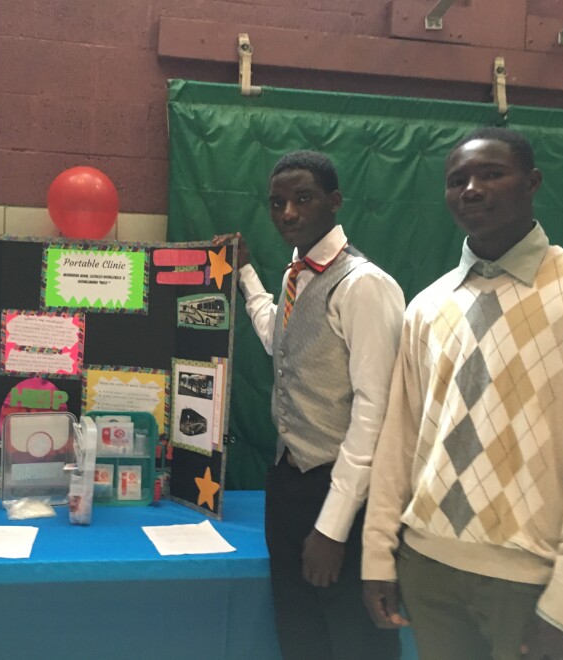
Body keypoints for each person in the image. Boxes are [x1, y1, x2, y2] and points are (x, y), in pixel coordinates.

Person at [362, 127, 563, 660]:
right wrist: (378, 556)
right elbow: (398, 441)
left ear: (531, 182)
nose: (471, 189)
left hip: (533, 580)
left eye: (491, 173)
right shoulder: (427, 306)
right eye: (457, 180)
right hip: (428, 569)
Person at [216, 150, 404, 659]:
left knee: (353, 641)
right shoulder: (296, 275)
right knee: (299, 636)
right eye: (277, 203)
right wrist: (248, 275)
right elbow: (282, 338)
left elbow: (376, 411)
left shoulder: (364, 285)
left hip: (342, 491)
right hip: (288, 482)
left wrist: (333, 526)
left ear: (334, 202)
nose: (288, 213)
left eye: (303, 199)